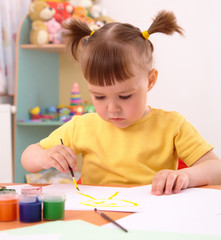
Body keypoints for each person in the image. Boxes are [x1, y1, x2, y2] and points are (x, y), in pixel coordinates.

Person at [21, 10, 221, 195]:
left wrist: (185, 176)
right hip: (97, 215)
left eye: (124, 96)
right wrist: (44, 157)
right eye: (99, 96)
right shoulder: (82, 126)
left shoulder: (172, 126)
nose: (112, 108)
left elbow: (216, 169)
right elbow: (28, 157)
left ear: (150, 81)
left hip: (152, 216)